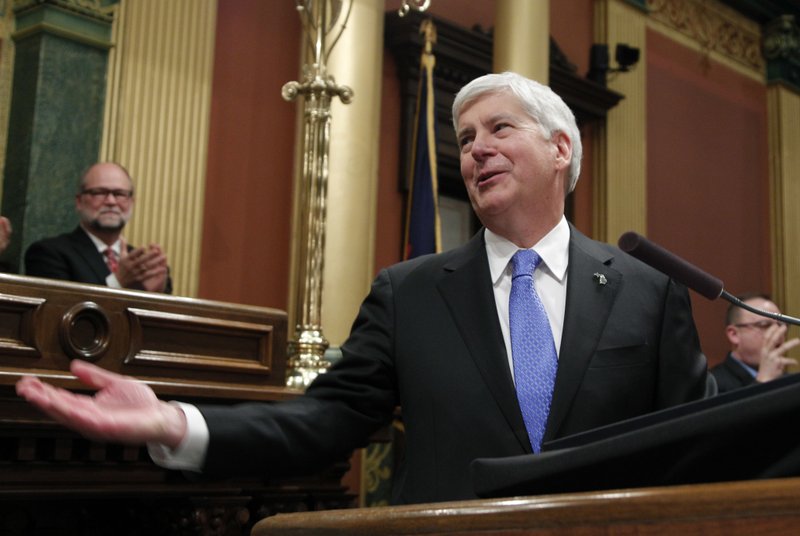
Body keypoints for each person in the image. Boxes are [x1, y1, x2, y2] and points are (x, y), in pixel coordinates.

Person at [16, 72, 711, 504]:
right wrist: (178, 422)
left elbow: (695, 450)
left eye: (500, 129)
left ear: (562, 148)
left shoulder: (647, 292)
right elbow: (324, 423)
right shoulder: (410, 293)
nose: (475, 149)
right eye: (466, 138)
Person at [24, 162, 172, 293]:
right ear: (79, 202)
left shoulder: (142, 266)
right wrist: (117, 282)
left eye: (119, 194)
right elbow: (57, 314)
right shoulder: (48, 253)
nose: (111, 201)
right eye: (99, 193)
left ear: (131, 202)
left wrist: (155, 294)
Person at [710, 293, 799, 393]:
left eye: (781, 325)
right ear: (734, 334)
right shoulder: (712, 384)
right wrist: (763, 381)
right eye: (764, 325)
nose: (778, 333)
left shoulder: (791, 382)